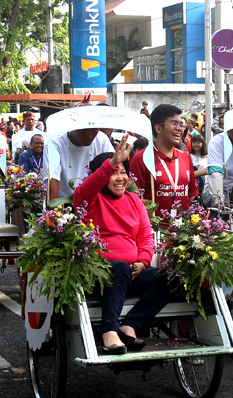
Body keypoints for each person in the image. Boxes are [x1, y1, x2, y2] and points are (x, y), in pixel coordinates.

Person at [73, 138, 172, 354]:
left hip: (132, 273)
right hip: (99, 274)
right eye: (113, 173)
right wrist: (110, 164)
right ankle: (109, 331)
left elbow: (146, 236)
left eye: (123, 172)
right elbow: (83, 193)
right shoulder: (91, 200)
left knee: (169, 276)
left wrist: (143, 262)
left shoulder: (134, 200)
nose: (120, 178)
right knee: (118, 268)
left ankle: (131, 326)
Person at [130, 104, 199, 217]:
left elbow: (191, 194)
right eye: (174, 123)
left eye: (181, 124)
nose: (179, 128)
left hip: (182, 231)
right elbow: (133, 199)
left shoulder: (185, 157)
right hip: (154, 231)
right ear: (158, 128)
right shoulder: (142, 159)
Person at [43, 127, 114, 201]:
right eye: (84, 130)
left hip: (92, 203)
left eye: (93, 130)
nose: (89, 136)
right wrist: (54, 210)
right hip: (63, 203)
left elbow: (113, 170)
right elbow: (52, 182)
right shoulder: (55, 143)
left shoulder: (102, 139)